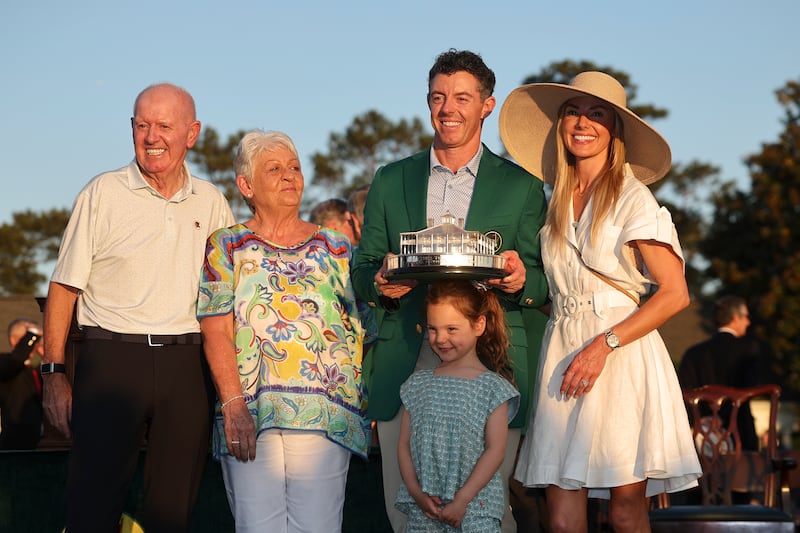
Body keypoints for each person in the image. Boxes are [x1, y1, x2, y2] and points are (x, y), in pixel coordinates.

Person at [352, 48, 548, 533]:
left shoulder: (521, 187)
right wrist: (378, 283)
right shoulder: (391, 178)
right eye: (438, 97)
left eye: (462, 97)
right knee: (407, 510)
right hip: (409, 355)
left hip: (492, 359)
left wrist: (523, 279)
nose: (448, 109)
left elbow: (546, 279)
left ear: (487, 105)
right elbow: (363, 267)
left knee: (485, 509)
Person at [500, 71, 702, 532]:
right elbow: (558, 293)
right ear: (560, 125)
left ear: (615, 130)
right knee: (560, 503)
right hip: (561, 350)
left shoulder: (634, 198)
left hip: (620, 353)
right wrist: (521, 278)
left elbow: (675, 292)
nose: (582, 122)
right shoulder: (554, 201)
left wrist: (604, 345)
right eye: (573, 111)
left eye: (597, 114)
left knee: (625, 505)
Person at [41, 83, 234, 532]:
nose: (152, 137)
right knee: (92, 506)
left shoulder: (213, 202)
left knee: (172, 513)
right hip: (110, 363)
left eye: (165, 125)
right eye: (142, 125)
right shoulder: (102, 192)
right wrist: (53, 375)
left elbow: (226, 300)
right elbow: (63, 288)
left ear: (193, 133)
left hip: (188, 367)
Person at [197, 130, 369, 532]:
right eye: (274, 169)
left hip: (327, 418)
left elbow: (363, 325)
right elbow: (216, 330)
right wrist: (233, 405)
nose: (289, 176)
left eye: (294, 167)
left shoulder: (338, 248)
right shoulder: (226, 246)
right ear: (246, 185)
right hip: (251, 414)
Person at [397, 280, 520, 532]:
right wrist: (417, 494)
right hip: (426, 509)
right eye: (433, 329)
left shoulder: (493, 388)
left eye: (452, 328)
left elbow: (495, 451)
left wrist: (462, 499)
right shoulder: (417, 384)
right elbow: (404, 445)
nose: (441, 339)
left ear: (479, 324)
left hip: (475, 509)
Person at [679, 295, 761, 450]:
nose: (748, 322)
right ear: (736, 318)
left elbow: (684, 393)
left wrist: (702, 420)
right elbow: (747, 390)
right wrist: (722, 419)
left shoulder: (693, 354)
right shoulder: (748, 349)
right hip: (740, 436)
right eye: (746, 317)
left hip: (701, 439)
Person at [0, 318, 44, 449]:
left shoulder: (34, 369)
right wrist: (33, 334)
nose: (35, 345)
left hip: (39, 440)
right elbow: (16, 360)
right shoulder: (5, 363)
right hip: (13, 443)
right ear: (14, 340)